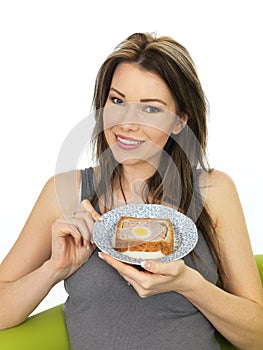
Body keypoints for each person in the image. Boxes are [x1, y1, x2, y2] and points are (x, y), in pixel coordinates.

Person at [0, 32, 262, 350]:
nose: (126, 123)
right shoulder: (67, 191)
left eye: (150, 109)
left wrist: (189, 285)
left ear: (180, 121)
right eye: (118, 101)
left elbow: (257, 335)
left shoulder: (213, 191)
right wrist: (55, 269)